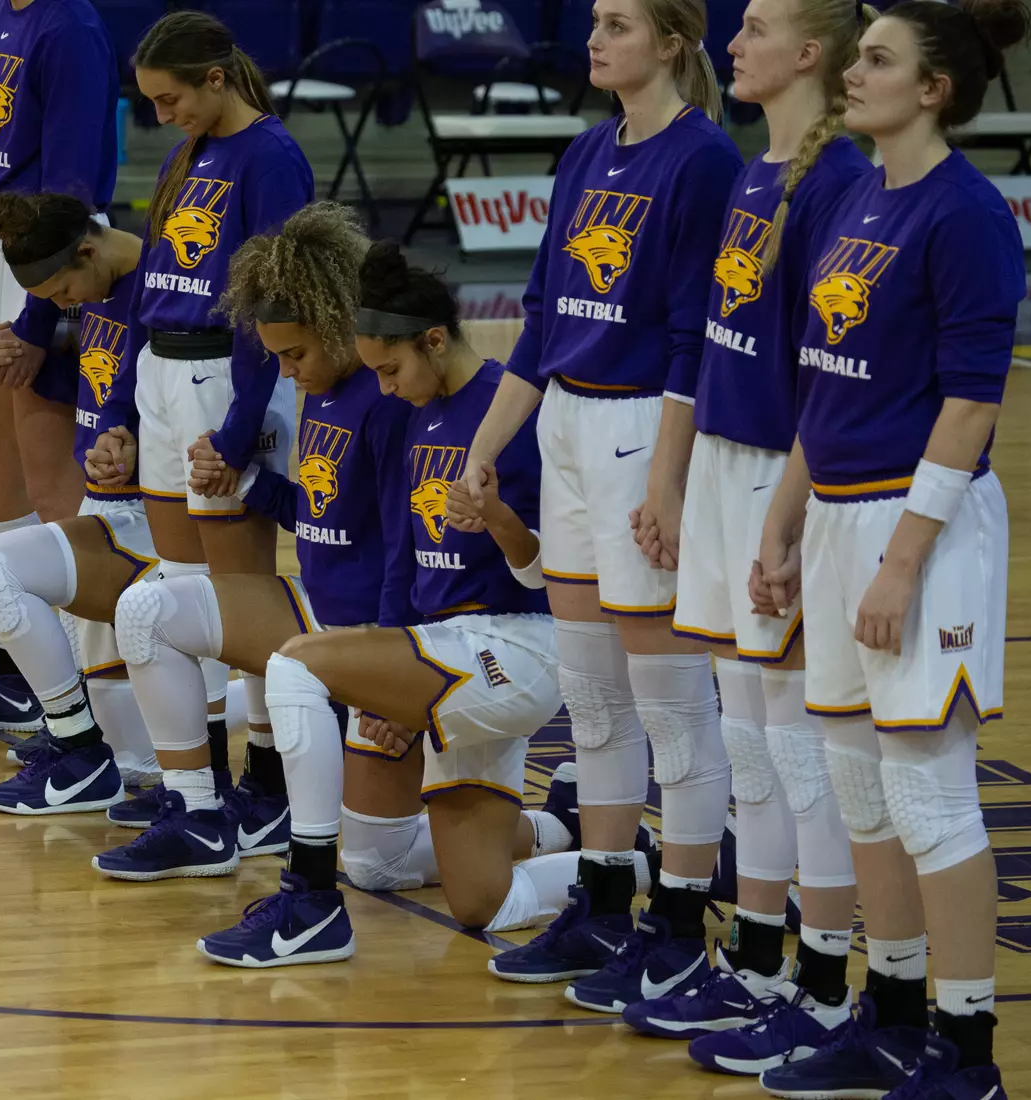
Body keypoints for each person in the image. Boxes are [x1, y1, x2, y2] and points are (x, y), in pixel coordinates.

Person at [752, 3, 1028, 1098]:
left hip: (927, 524)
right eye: (857, 52)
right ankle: (893, 1012)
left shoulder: (966, 213)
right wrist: (785, 520)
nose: (855, 73)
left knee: (928, 795)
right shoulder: (860, 194)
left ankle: (969, 1054)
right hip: (836, 513)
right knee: (859, 788)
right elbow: (825, 383)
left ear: (934, 90)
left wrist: (904, 558)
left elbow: (970, 404)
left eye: (878, 59)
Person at [190, 239, 576, 965]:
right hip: (439, 657)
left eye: (391, 370)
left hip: (514, 649)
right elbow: (402, 557)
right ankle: (612, 852)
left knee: (295, 665)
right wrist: (396, 674)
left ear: (434, 340)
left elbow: (545, 576)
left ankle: (307, 899)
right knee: (445, 890)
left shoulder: (511, 410)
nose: (386, 388)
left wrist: (495, 519)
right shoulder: (419, 412)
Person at [613, 0, 874, 1068]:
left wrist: (789, 516)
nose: (736, 41)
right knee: (753, 743)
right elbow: (710, 338)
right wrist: (679, 475)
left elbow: (829, 369)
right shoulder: (756, 171)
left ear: (810, 53)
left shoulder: (837, 182)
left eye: (758, 27)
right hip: (722, 460)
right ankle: (760, 956)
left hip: (782, 472)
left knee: (801, 749)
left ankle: (823, 979)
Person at [469, 0, 742, 1012]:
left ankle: (679, 930)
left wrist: (667, 479)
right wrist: (484, 446)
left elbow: (691, 336)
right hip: (568, 427)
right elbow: (541, 319)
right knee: (592, 698)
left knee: (671, 702)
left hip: (645, 431)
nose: (596, 36)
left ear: (671, 41)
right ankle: (602, 900)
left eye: (619, 22)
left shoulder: (703, 161)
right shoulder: (587, 150)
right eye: (594, 20)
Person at [84, 9, 312, 866]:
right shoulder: (186, 153)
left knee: (239, 599)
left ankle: (268, 785)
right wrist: (119, 411)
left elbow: (271, 304)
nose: (159, 115)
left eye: (170, 97)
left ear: (216, 79)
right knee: (178, 594)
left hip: (226, 377)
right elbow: (148, 288)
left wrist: (240, 425)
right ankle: (202, 793)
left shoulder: (272, 157)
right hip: (161, 371)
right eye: (148, 101)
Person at [0, 0, 119, 729]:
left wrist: (40, 314)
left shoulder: (69, 25)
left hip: (39, 256)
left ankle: (89, 693)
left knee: (50, 482)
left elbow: (69, 187)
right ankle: (14, 669)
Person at [0, 190, 162, 777]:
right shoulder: (100, 287)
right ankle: (85, 743)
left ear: (88, 252)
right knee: (107, 677)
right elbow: (95, 381)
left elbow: (170, 404)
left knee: (154, 671)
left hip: (151, 512)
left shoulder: (158, 292)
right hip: (105, 498)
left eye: (62, 293)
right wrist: (32, 359)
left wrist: (132, 441)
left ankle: (105, 752)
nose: (65, 305)